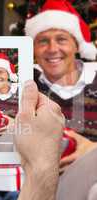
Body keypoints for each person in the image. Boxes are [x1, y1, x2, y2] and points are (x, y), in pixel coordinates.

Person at [25, 0, 97, 171]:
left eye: (61, 39)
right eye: (43, 41)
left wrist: (93, 151)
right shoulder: (25, 87)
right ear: (34, 49)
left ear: (76, 45)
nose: (52, 48)